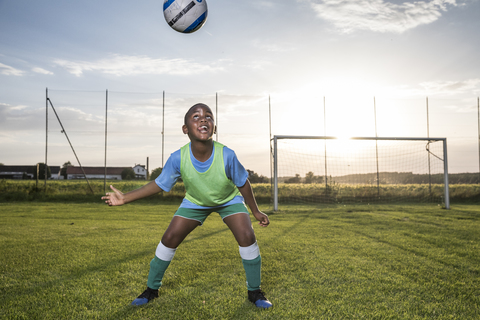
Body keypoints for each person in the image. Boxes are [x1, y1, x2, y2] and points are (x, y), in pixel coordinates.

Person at [101, 103, 273, 309]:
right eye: (196, 116)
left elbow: (243, 182)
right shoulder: (178, 157)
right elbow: (159, 183)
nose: (203, 119)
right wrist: (125, 198)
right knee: (169, 238)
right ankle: (151, 290)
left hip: (228, 199)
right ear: (185, 129)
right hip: (196, 202)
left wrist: (255, 211)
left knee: (247, 236)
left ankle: (255, 292)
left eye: (208, 116)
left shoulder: (227, 154)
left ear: (214, 128)